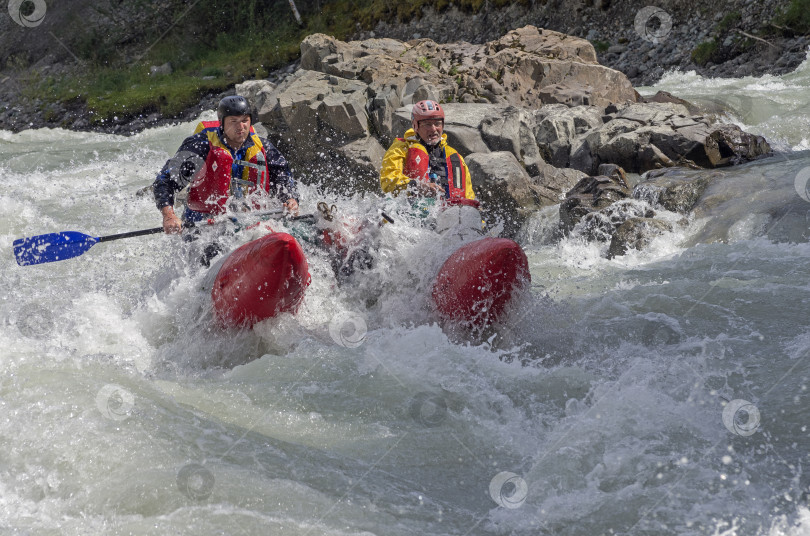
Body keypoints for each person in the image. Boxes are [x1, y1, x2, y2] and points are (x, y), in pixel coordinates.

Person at [153, 95, 299, 236]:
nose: (240, 127)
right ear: (222, 123)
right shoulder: (201, 146)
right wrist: (169, 215)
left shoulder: (263, 147)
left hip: (252, 221)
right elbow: (165, 180)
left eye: (244, 121)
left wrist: (291, 200)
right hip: (203, 225)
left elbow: (284, 178)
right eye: (233, 121)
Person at [379, 99, 476, 202]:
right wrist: (417, 187)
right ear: (416, 126)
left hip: (449, 215)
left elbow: (469, 197)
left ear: (442, 125)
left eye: (437, 123)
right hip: (409, 211)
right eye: (427, 124)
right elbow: (387, 182)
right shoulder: (401, 148)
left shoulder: (455, 156)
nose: (433, 129)